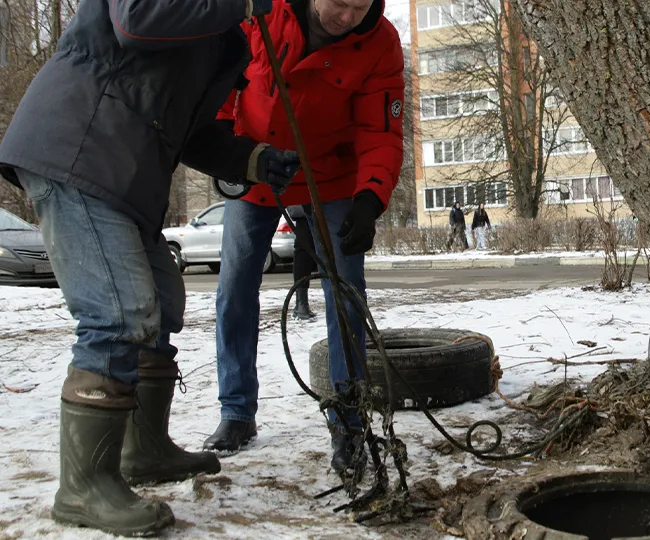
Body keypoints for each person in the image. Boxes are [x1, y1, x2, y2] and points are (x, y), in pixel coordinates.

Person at [0, 0, 301, 536]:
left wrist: (253, 158)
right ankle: (84, 486)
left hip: (124, 174)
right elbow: (136, 20)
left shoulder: (223, 32)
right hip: (77, 148)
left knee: (160, 305)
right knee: (117, 314)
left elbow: (189, 129)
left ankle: (145, 449)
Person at [202, 0, 404, 479]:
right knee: (234, 289)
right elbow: (217, 91)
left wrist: (370, 199)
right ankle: (236, 411)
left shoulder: (379, 42)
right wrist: (231, 156)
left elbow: (379, 130)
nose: (348, 18)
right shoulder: (258, 14)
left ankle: (349, 422)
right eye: (340, 4)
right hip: (255, 169)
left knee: (346, 295)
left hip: (331, 178)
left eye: (360, 7)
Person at [288, 204, 318, 320]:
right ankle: (301, 303)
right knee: (304, 252)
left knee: (304, 251)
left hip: (307, 206)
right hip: (305, 206)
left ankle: (301, 304)